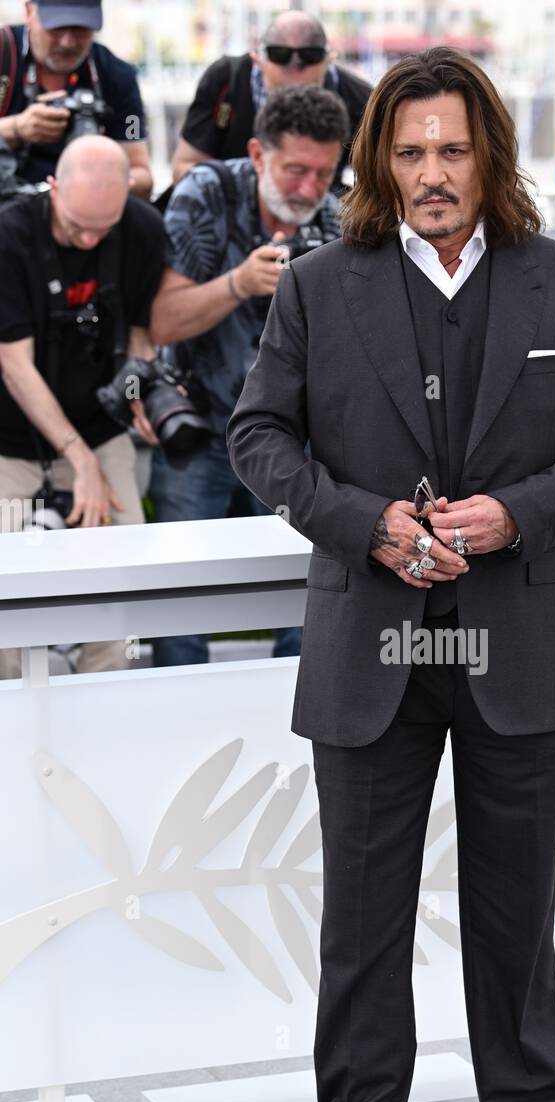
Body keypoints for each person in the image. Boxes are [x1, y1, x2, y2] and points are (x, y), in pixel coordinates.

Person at [228, 46, 555, 1102]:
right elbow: (259, 435)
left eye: (450, 149)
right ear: (378, 162)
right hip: (371, 643)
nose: (429, 174)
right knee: (362, 920)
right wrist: (367, 528)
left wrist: (520, 511)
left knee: (515, 908)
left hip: (516, 637)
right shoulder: (315, 286)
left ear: (488, 154)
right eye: (406, 152)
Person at [148, 85, 347, 666]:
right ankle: (177, 726)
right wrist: (239, 283)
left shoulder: (338, 216)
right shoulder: (204, 191)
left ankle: (298, 733)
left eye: (323, 172)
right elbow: (161, 320)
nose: (309, 189)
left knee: (308, 594)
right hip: (200, 426)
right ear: (258, 154)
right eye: (294, 170)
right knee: (179, 596)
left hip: (294, 440)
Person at [0, 135, 163, 680]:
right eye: (77, 228)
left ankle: (109, 701)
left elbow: (141, 334)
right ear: (53, 188)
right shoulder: (10, 234)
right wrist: (79, 460)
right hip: (9, 439)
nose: (90, 238)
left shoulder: (140, 229)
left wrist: (137, 393)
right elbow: (14, 365)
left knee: (124, 575)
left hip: (98, 427)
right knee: (5, 590)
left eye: (103, 228)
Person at [169, 9, 370, 200]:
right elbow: (184, 169)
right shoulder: (226, 81)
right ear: (256, 59)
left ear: (329, 61)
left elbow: (381, 180)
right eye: (279, 94)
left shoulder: (361, 100)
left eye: (305, 94)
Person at [0, 1, 152, 198]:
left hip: (86, 210)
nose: (67, 42)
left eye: (81, 29)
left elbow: (141, 175)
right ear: (29, 11)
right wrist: (16, 129)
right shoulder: (4, 53)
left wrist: (101, 180)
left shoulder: (118, 77)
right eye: (56, 28)